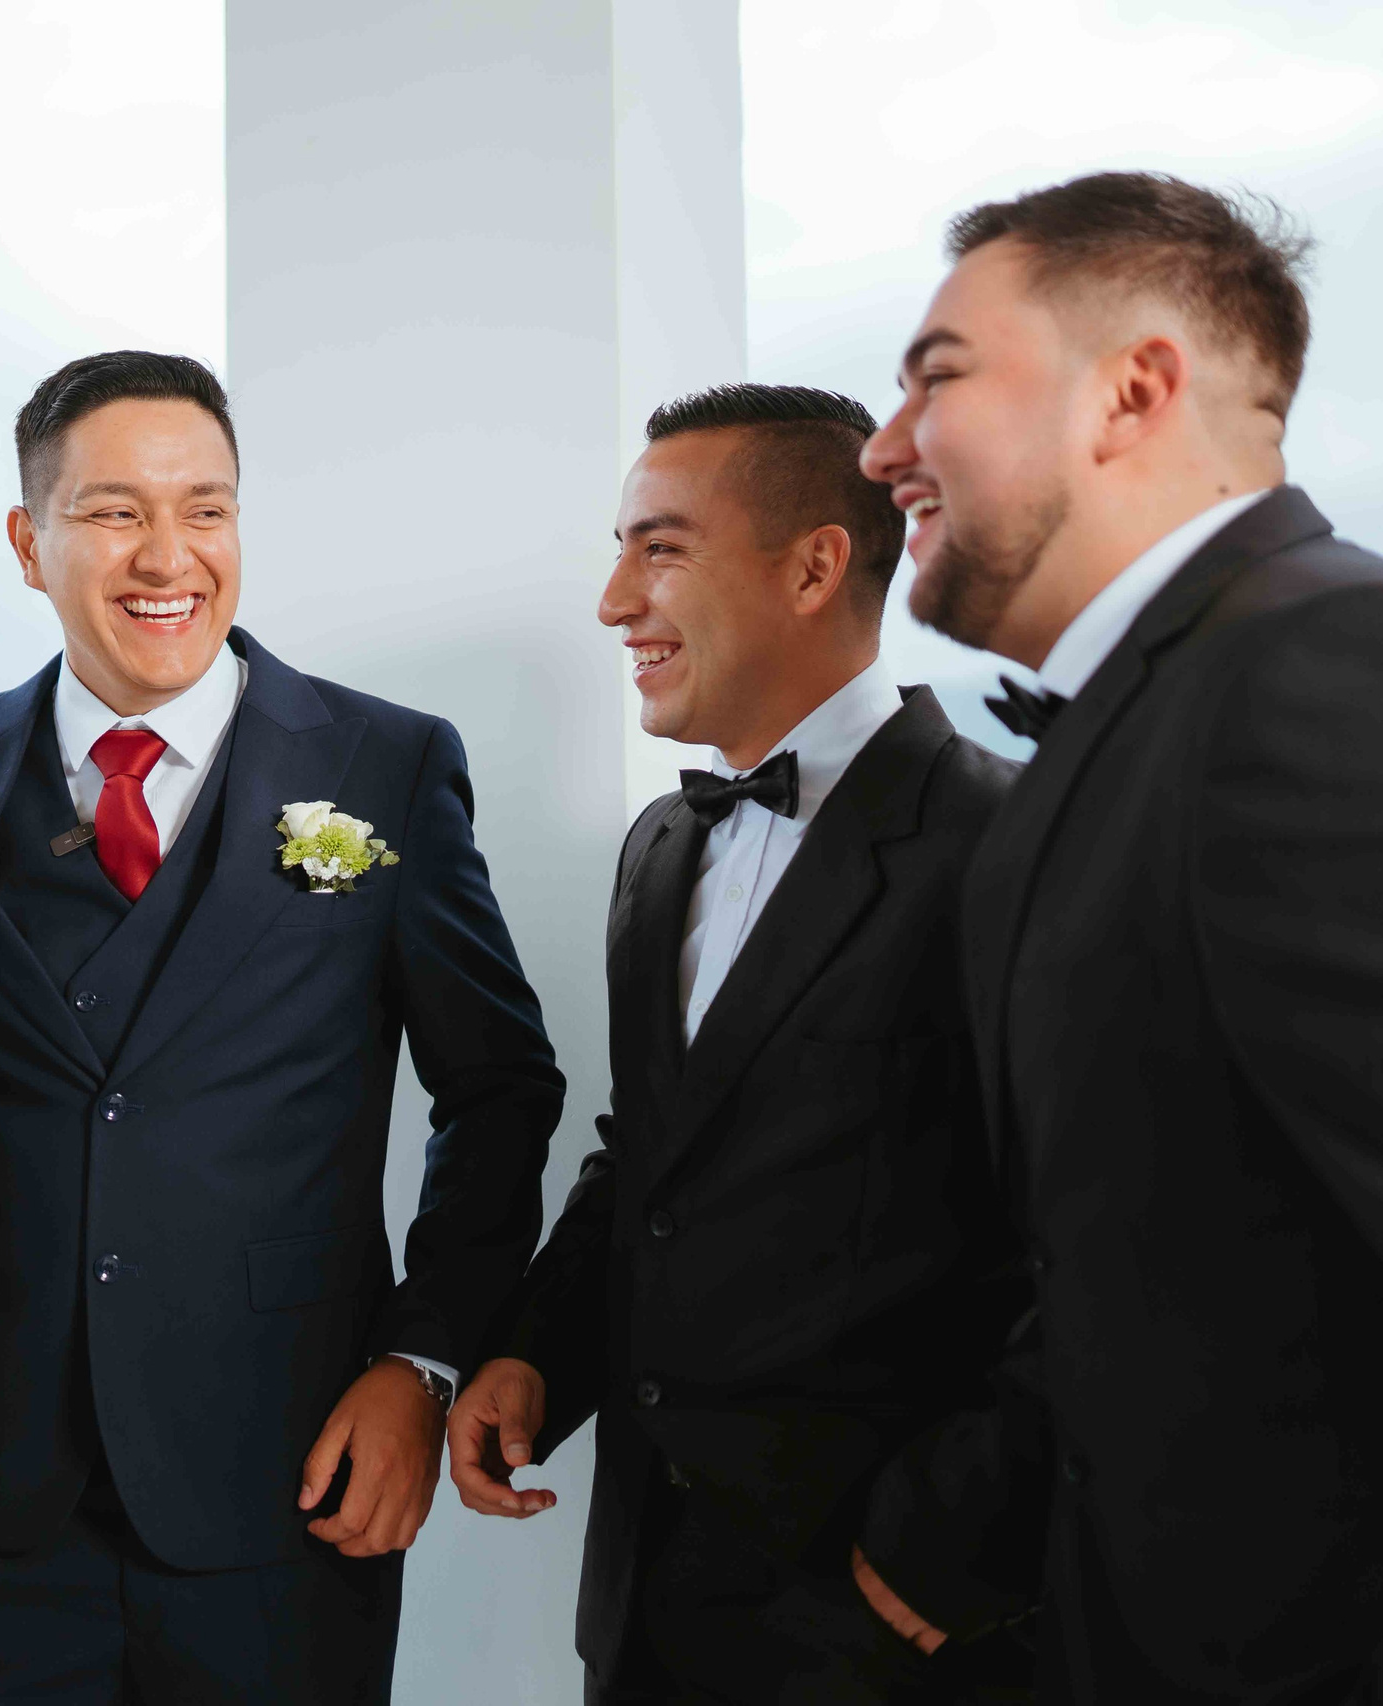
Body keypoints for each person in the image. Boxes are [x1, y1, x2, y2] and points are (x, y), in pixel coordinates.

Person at [0, 350, 565, 1703]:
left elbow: (500, 1086)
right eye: (116, 511)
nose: (168, 553)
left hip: (288, 1486)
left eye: (208, 508)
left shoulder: (381, 768)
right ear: (29, 541)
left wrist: (420, 1359)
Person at [857, 171, 1383, 1700]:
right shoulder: (1135, 730)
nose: (880, 445)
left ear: (1133, 392)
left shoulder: (1327, 674)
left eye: (937, 377)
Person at [444, 384, 1033, 1703]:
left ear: (816, 563)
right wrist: (539, 1349)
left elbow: (1117, 1239)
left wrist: (956, 1541)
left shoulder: (1012, 842)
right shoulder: (660, 848)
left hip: (896, 1628)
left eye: (658, 548)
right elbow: (650, 1159)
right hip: (649, 1613)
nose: (611, 602)